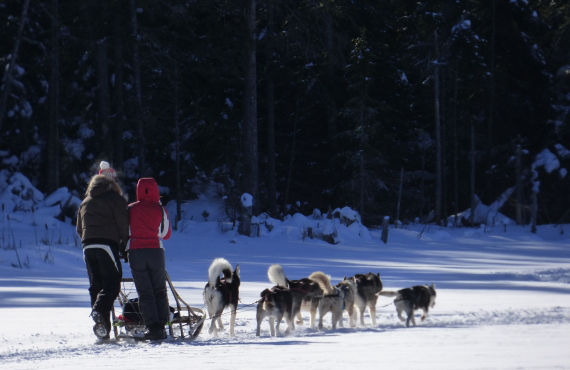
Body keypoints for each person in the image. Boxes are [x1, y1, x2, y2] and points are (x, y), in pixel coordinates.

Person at [76, 174, 129, 340]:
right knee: (113, 283)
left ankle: (103, 327)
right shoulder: (115, 199)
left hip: (87, 246)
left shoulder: (85, 202)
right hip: (106, 244)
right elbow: (123, 223)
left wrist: (88, 240)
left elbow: (79, 228)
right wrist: (124, 245)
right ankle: (98, 311)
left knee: (96, 285)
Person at [127, 177, 172, 340]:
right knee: (159, 288)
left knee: (145, 291)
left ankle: (152, 327)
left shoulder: (130, 209)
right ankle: (162, 324)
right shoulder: (161, 210)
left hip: (136, 251)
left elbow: (126, 231)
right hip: (156, 251)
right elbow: (166, 234)